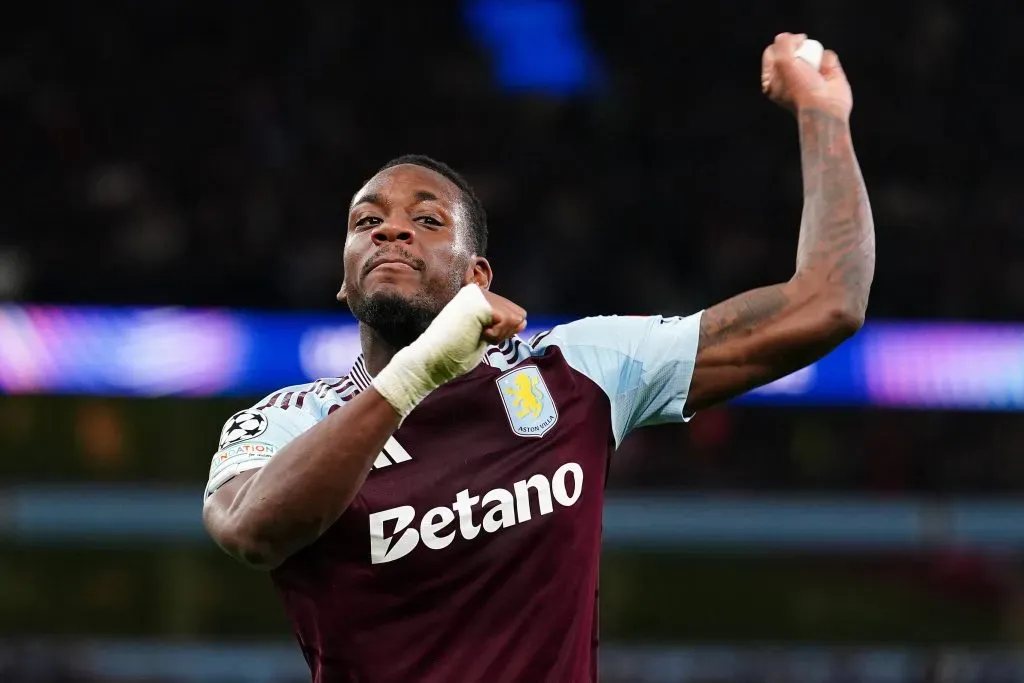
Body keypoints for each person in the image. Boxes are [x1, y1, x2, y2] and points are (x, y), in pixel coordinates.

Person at [202, 33, 875, 683]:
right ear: (345, 280)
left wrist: (823, 115)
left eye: (428, 219)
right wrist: (418, 372)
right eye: (366, 221)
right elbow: (253, 530)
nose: (392, 228)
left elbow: (824, 304)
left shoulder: (577, 371)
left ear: (479, 277)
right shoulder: (286, 420)